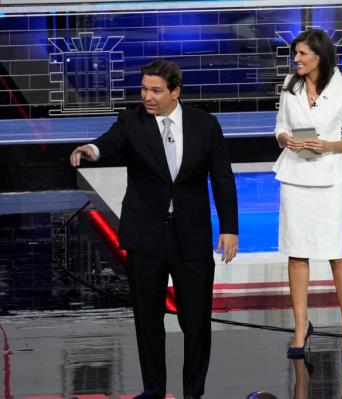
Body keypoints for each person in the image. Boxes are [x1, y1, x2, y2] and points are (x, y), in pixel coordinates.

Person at [70, 60, 239, 398]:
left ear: (175, 92)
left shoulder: (205, 125)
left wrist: (230, 228)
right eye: (144, 88)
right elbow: (108, 142)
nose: (147, 96)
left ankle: (193, 392)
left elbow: (222, 177)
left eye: (155, 90)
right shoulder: (131, 122)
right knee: (148, 321)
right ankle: (154, 390)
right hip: (147, 235)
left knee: (196, 321)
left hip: (191, 235)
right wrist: (89, 150)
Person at [272, 29, 342, 363]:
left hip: (332, 178)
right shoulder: (289, 86)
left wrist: (328, 145)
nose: (296, 60)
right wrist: (285, 139)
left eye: (302, 55)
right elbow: (279, 125)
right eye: (295, 54)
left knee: (337, 253)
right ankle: (299, 326)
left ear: (319, 57)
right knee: (297, 252)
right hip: (295, 176)